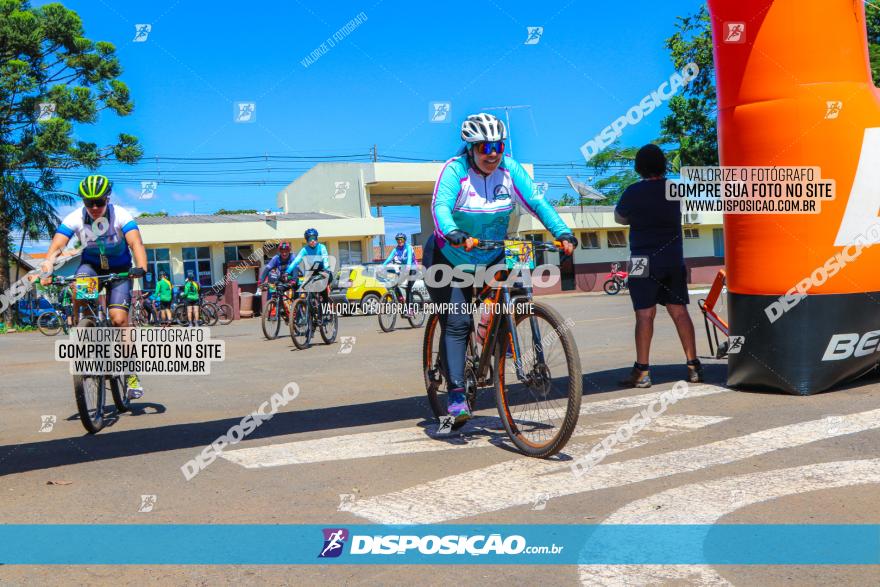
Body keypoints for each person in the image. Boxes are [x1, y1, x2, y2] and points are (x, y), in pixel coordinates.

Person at [426, 112, 577, 425]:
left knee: (512, 295)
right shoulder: (455, 171)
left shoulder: (509, 169)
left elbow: (536, 201)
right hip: (447, 257)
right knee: (457, 321)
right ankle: (455, 392)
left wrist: (561, 232)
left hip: (490, 254)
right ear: (471, 148)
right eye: (484, 147)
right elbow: (440, 206)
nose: (492, 153)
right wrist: (452, 231)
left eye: (498, 145)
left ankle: (495, 346)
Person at [40, 174, 147, 398]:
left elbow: (135, 242)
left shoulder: (121, 214)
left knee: (118, 319)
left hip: (120, 270)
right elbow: (58, 245)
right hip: (92, 267)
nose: (95, 207)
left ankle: (131, 373)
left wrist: (142, 267)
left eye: (100, 201)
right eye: (89, 202)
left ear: (108, 198)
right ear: (84, 202)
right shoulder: (76, 217)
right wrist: (47, 268)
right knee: (80, 282)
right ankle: (82, 325)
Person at [614, 144, 703, 388]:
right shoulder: (675, 189)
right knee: (679, 311)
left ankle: (642, 372)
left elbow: (619, 218)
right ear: (663, 165)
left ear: (639, 167)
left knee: (644, 314)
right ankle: (693, 365)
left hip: (641, 259)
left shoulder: (633, 192)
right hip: (673, 259)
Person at [285, 228, 332, 301]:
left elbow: (325, 258)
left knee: (322, 289)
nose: (313, 240)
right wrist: (287, 272)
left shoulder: (322, 247)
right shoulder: (305, 250)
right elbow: (296, 261)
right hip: (313, 273)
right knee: (308, 290)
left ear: (317, 238)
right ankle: (311, 307)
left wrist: (326, 269)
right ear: (307, 241)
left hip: (324, 271)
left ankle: (325, 308)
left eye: (314, 238)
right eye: (310, 239)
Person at [381, 232, 416, 307]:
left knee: (408, 289)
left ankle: (411, 309)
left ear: (404, 240)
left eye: (401, 239)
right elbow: (389, 259)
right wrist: (381, 266)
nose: (399, 241)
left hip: (413, 269)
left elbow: (409, 259)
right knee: (395, 284)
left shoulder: (408, 247)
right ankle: (401, 300)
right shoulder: (395, 250)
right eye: (398, 239)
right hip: (404, 269)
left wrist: (408, 267)